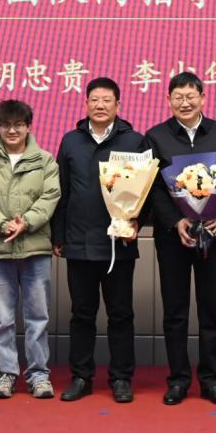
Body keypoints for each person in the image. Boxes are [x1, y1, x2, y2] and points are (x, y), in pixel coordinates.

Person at [144, 72, 216, 406]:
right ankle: (178, 380)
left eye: (191, 96)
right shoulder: (156, 136)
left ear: (203, 98)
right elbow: (152, 187)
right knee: (175, 311)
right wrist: (176, 221)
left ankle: (211, 380)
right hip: (173, 236)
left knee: (211, 309)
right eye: (178, 97)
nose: (184, 103)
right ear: (168, 100)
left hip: (213, 234)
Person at [51, 77, 150, 404]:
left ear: (118, 105)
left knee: (121, 314)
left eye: (107, 100)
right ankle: (81, 376)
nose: (100, 105)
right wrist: (59, 235)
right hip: (79, 242)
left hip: (118, 243)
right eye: (94, 99)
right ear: (86, 104)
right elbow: (61, 192)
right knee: (82, 314)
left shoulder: (134, 141)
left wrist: (136, 223)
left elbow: (147, 193)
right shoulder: (70, 141)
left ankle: (121, 378)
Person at [0, 99, 61, 399]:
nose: (12, 130)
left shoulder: (45, 161)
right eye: (6, 125)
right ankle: (5, 374)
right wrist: (2, 224)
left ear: (28, 127)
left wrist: (27, 222)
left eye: (18, 124)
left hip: (35, 249)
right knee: (2, 320)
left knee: (38, 317)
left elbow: (51, 196)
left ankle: (38, 375)